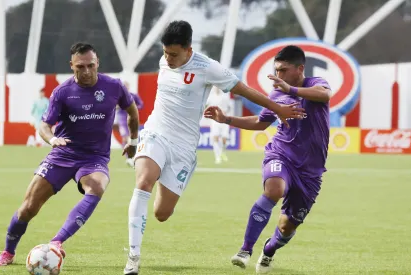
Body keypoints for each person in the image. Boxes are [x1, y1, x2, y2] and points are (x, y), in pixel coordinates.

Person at [123, 21, 305, 275]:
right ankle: (133, 258)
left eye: (174, 54)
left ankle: (154, 190)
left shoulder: (208, 67)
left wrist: (278, 109)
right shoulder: (165, 61)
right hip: (155, 132)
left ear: (188, 50)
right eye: (165, 53)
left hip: (184, 146)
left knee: (162, 213)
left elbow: (245, 90)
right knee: (143, 182)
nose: (168, 59)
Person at [0, 42, 140, 267]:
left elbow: (132, 111)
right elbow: (44, 125)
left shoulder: (114, 86)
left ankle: (57, 242)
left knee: (97, 187)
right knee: (29, 207)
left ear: (97, 63)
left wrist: (133, 140)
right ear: (71, 66)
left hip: (94, 158)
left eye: (91, 65)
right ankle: (8, 252)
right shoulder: (62, 92)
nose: (87, 71)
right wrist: (52, 139)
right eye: (81, 66)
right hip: (62, 154)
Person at [204, 45, 330, 274]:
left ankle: (269, 250)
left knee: (287, 226)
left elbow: (324, 95)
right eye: (276, 70)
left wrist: (291, 89)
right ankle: (244, 250)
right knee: (274, 189)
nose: (278, 75)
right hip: (281, 154)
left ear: (300, 68)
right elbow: (261, 123)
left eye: (283, 70)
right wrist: (226, 119)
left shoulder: (315, 84)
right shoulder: (276, 95)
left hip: (311, 171)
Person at [116, 82, 144, 167]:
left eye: (126, 86)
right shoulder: (118, 96)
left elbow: (141, 105)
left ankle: (134, 156)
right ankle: (129, 158)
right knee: (125, 138)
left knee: (134, 137)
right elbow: (112, 106)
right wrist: (117, 107)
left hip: (132, 118)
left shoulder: (133, 95)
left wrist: (134, 108)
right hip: (122, 120)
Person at [206, 87, 231, 164]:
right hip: (215, 121)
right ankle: (217, 157)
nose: (217, 88)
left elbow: (229, 107)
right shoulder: (211, 97)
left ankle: (223, 152)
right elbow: (206, 106)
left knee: (224, 139)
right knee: (215, 137)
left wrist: (225, 112)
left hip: (224, 120)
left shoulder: (225, 97)